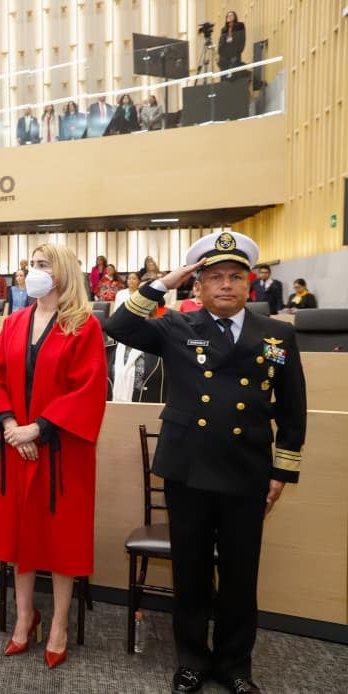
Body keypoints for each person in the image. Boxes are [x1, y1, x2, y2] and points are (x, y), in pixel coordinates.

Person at [106, 230, 306, 694]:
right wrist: (164, 282)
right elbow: (119, 326)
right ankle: (192, 661)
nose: (226, 284)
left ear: (249, 284)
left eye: (235, 276)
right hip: (188, 469)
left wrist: (282, 472)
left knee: (240, 574)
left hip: (246, 471)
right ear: (197, 285)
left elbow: (292, 409)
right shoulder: (176, 326)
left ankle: (235, 666)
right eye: (214, 277)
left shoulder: (277, 334)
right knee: (191, 572)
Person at [0, 244, 107, 669]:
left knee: (61, 539)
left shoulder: (83, 325)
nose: (33, 271)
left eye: (42, 265)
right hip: (15, 447)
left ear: (61, 272)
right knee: (19, 536)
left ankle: (59, 624)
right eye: (32, 265)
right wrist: (11, 424)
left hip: (63, 451)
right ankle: (24, 617)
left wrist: (40, 428)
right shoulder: (15, 321)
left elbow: (88, 387)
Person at [218, 11, 246, 79]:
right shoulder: (224, 29)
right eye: (228, 16)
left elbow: (242, 39)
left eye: (231, 15)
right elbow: (221, 42)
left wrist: (239, 51)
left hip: (235, 52)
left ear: (235, 17)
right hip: (225, 54)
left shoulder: (240, 26)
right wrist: (220, 52)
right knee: (224, 73)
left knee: (234, 72)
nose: (229, 17)